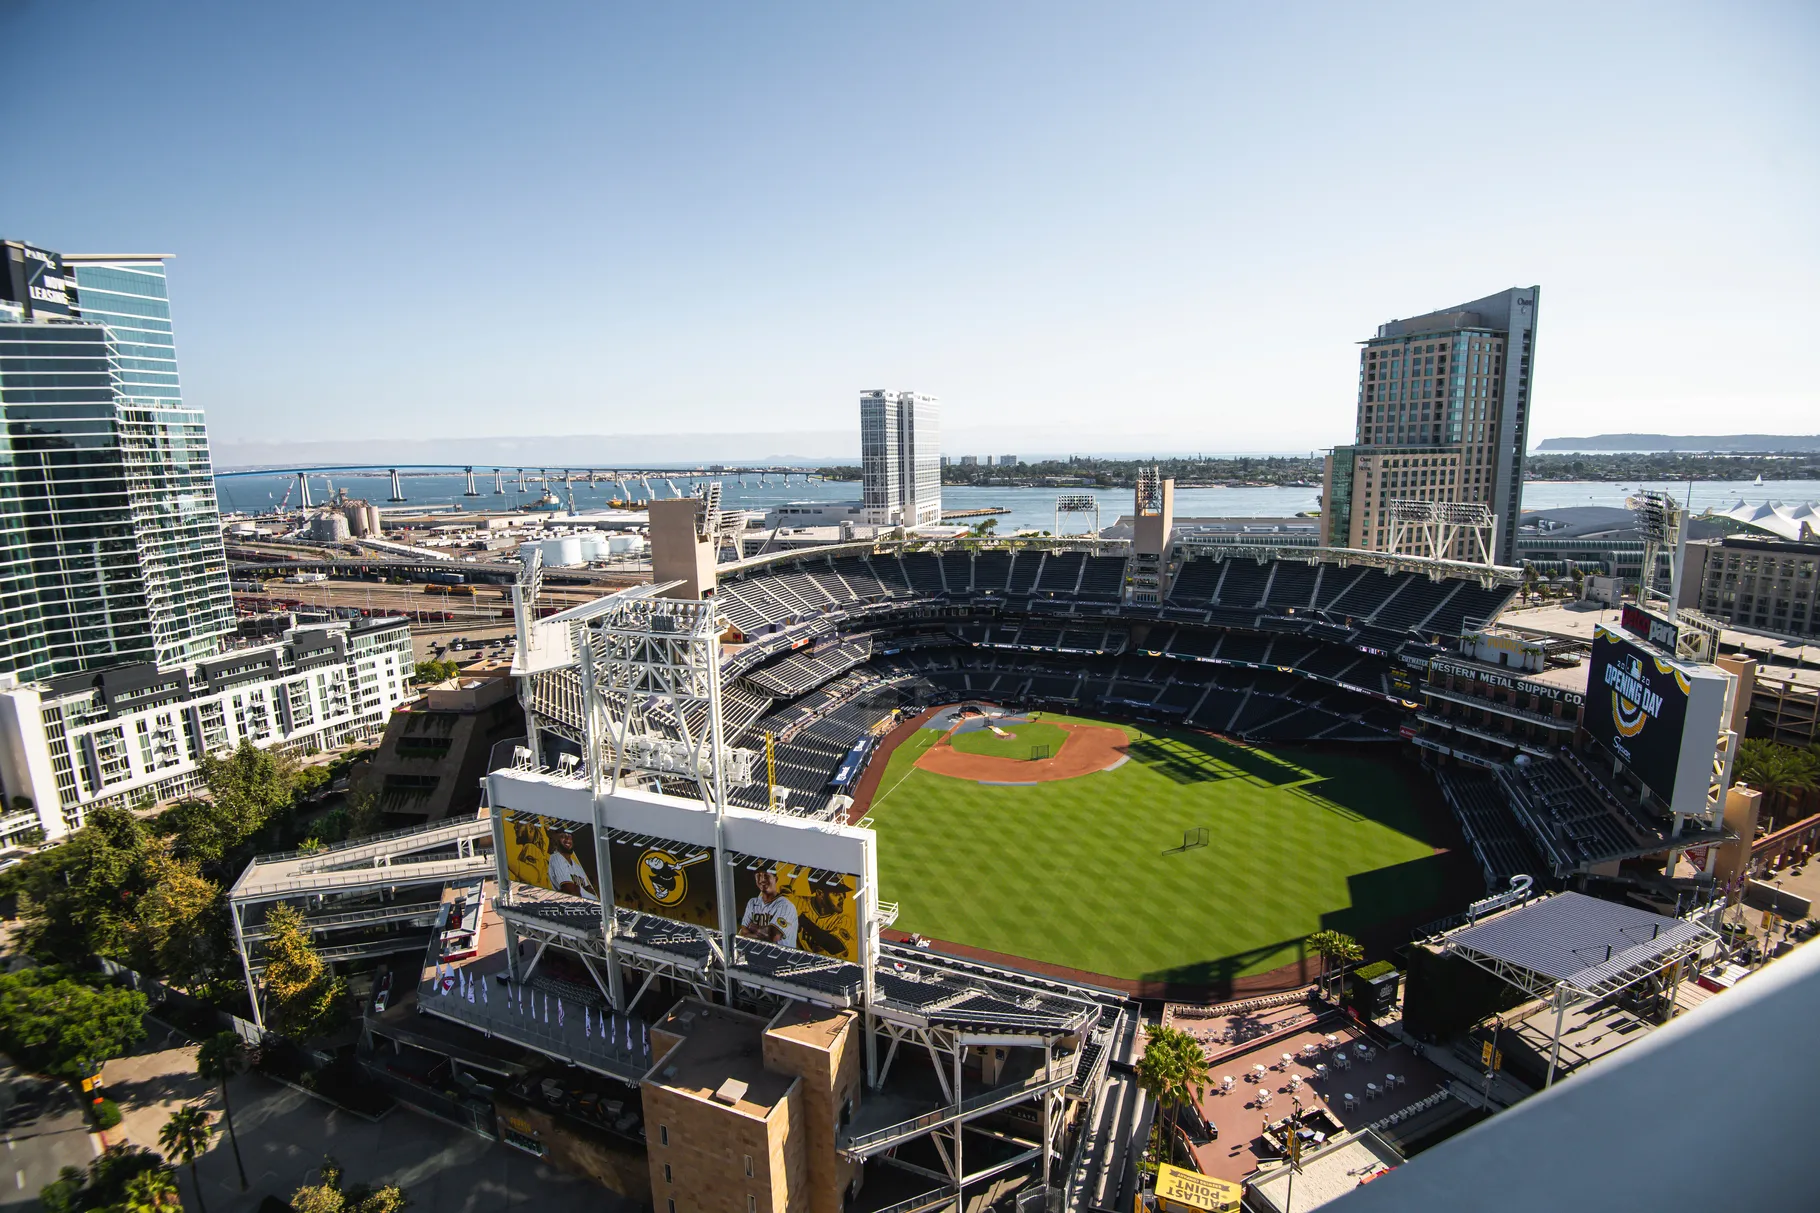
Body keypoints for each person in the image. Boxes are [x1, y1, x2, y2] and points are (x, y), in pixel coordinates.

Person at [739, 866, 800, 949]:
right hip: (757, 954)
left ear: (776, 879)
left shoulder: (785, 905)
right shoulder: (752, 903)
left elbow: (773, 936)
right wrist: (763, 933)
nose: (762, 880)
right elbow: (743, 934)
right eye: (758, 876)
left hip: (782, 958)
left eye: (766, 875)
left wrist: (753, 927)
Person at [546, 827, 599, 900]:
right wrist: (583, 892)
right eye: (562, 837)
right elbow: (570, 890)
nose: (567, 839)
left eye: (569, 837)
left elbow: (589, 889)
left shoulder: (578, 867)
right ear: (556, 841)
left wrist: (580, 890)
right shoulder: (556, 858)